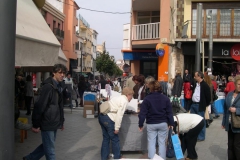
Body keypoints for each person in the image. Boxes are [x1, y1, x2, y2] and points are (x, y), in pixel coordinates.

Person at [23, 64, 67, 160]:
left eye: (64, 73)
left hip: (54, 122)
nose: (62, 75)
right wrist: (35, 124)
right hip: (47, 122)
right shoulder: (48, 87)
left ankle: (29, 158)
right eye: (60, 72)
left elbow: (59, 106)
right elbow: (39, 106)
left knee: (47, 145)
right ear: (53, 73)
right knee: (50, 150)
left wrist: (61, 121)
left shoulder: (59, 86)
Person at [138, 80, 174, 159]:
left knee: (151, 142)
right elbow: (169, 112)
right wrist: (171, 123)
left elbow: (142, 113)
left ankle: (151, 158)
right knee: (162, 143)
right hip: (163, 122)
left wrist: (140, 124)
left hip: (151, 123)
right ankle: (162, 158)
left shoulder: (147, 99)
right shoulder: (165, 99)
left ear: (150, 88)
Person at [98, 87, 134, 160]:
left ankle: (104, 157)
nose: (132, 98)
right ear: (128, 95)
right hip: (109, 119)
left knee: (106, 138)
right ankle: (117, 157)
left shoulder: (117, 97)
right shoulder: (124, 101)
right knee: (115, 139)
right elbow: (119, 115)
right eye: (131, 96)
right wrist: (117, 128)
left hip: (102, 117)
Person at [222, 75, 240, 160]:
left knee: (237, 146)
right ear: (235, 84)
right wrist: (223, 122)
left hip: (238, 125)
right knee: (230, 145)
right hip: (230, 124)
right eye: (239, 84)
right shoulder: (229, 94)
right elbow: (225, 109)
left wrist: (237, 110)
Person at [190, 71, 211, 141]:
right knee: (193, 121)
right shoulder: (196, 84)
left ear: (199, 76)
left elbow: (208, 97)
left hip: (200, 105)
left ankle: (201, 136)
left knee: (201, 121)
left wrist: (205, 104)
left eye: (195, 76)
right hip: (193, 104)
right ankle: (194, 135)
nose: (194, 77)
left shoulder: (205, 85)